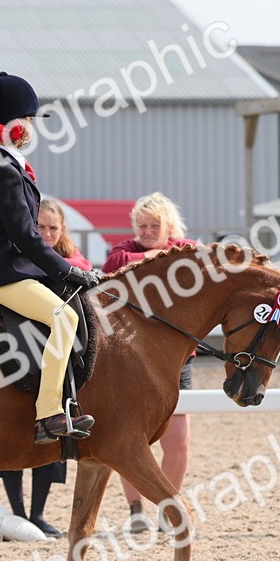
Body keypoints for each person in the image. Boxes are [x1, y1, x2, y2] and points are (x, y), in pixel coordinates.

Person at [0, 72, 101, 444]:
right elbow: (26, 237)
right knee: (65, 317)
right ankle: (48, 413)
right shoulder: (5, 173)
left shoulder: (7, 167)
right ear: (6, 126)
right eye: (25, 120)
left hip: (12, 269)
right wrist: (68, 269)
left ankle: (68, 399)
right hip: (3, 273)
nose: (30, 127)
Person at [0, 199, 92, 537]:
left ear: (62, 230)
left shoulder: (75, 263)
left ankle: (37, 513)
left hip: (56, 351)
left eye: (53, 227)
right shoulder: (15, 261)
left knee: (54, 417)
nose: (47, 233)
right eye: (40, 227)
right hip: (19, 340)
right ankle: (18, 512)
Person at [102, 192, 196, 533]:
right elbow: (115, 263)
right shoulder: (124, 249)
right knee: (129, 438)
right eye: (141, 225)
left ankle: (166, 508)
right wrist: (161, 256)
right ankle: (136, 509)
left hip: (177, 361)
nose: (146, 231)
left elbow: (197, 261)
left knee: (179, 441)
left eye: (154, 225)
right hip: (131, 360)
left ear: (169, 226)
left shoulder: (187, 248)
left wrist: (160, 255)